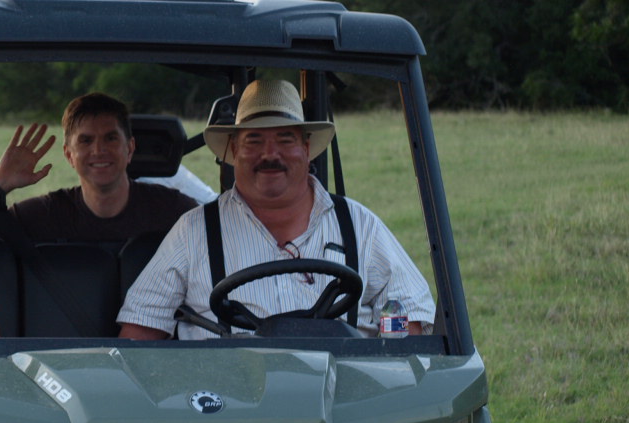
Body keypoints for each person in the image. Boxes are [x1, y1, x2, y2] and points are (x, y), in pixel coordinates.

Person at [117, 78, 435, 340]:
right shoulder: (193, 232)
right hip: (226, 409)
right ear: (234, 150)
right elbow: (140, 332)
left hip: (347, 408)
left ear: (307, 149)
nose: (270, 154)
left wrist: (390, 349)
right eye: (254, 140)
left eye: (285, 139)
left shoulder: (358, 224)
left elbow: (409, 316)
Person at [0, 92, 198, 243]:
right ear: (69, 154)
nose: (98, 150)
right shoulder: (46, 214)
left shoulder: (174, 212)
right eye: (86, 141)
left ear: (130, 148)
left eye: (110, 138)